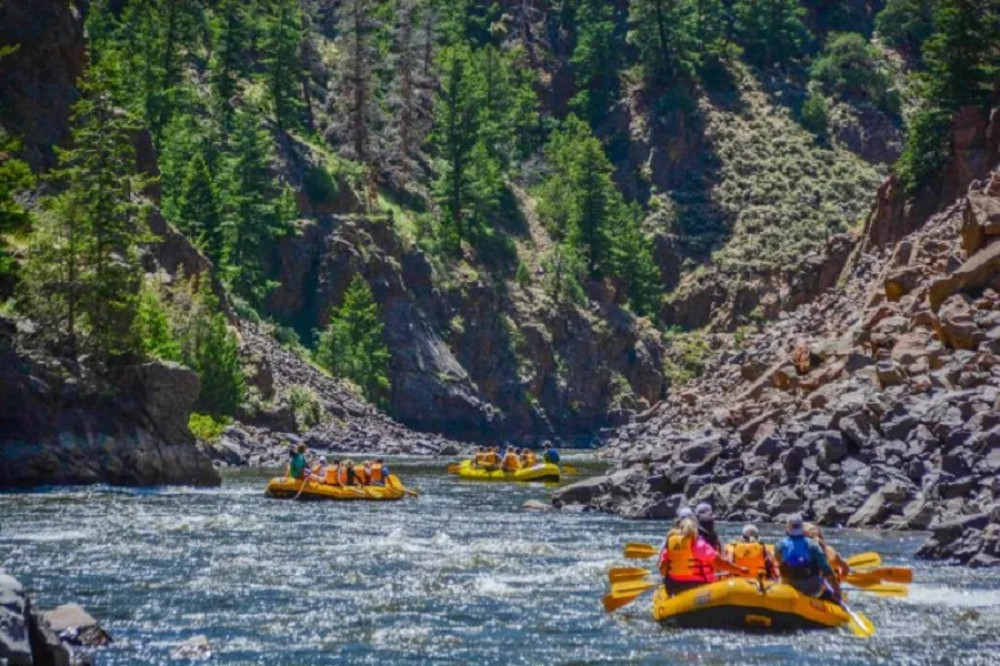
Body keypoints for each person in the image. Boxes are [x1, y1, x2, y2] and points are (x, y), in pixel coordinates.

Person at [659, 517, 749, 596]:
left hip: (674, 588)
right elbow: (719, 564)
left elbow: (663, 570)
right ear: (694, 530)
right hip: (697, 588)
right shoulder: (700, 545)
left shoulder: (670, 545)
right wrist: (739, 569)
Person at [775, 514, 841, 601]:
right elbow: (826, 569)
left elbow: (779, 562)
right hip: (811, 589)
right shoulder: (813, 545)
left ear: (788, 527)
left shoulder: (779, 545)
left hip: (789, 585)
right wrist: (836, 590)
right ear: (802, 527)